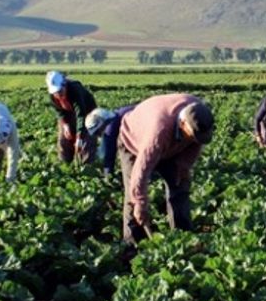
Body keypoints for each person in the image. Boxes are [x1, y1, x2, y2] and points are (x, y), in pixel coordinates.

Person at [117, 93, 214, 244]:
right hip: (133, 143)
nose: (196, 140)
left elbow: (195, 145)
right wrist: (140, 203)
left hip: (172, 144)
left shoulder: (198, 115)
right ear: (182, 124)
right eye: (193, 135)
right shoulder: (158, 132)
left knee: (180, 184)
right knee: (133, 197)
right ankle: (133, 245)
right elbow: (141, 171)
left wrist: (183, 167)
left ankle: (183, 238)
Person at [46, 70, 97, 164]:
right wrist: (65, 124)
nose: (58, 95)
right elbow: (59, 111)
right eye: (56, 92)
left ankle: (87, 166)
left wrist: (79, 138)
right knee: (63, 138)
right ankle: (65, 164)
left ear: (64, 85)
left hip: (87, 112)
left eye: (60, 91)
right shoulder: (52, 96)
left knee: (86, 140)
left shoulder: (75, 90)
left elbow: (81, 114)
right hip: (68, 113)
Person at [84, 104, 137, 177]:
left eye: (97, 131)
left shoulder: (110, 129)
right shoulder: (119, 113)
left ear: (101, 124)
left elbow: (109, 155)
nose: (99, 135)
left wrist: (107, 175)